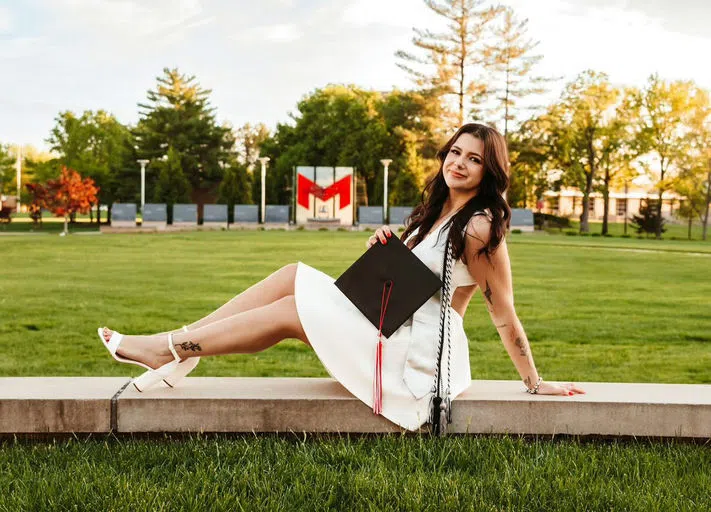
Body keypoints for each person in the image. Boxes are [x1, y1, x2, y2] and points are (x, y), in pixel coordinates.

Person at [99, 123, 585, 432]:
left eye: (474, 158)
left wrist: (534, 381)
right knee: (292, 274)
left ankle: (169, 350)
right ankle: (179, 349)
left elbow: (500, 313)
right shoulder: (435, 214)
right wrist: (385, 257)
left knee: (293, 311)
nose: (459, 163)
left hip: (417, 362)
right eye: (455, 152)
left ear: (489, 169)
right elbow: (444, 296)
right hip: (391, 325)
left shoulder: (480, 226)